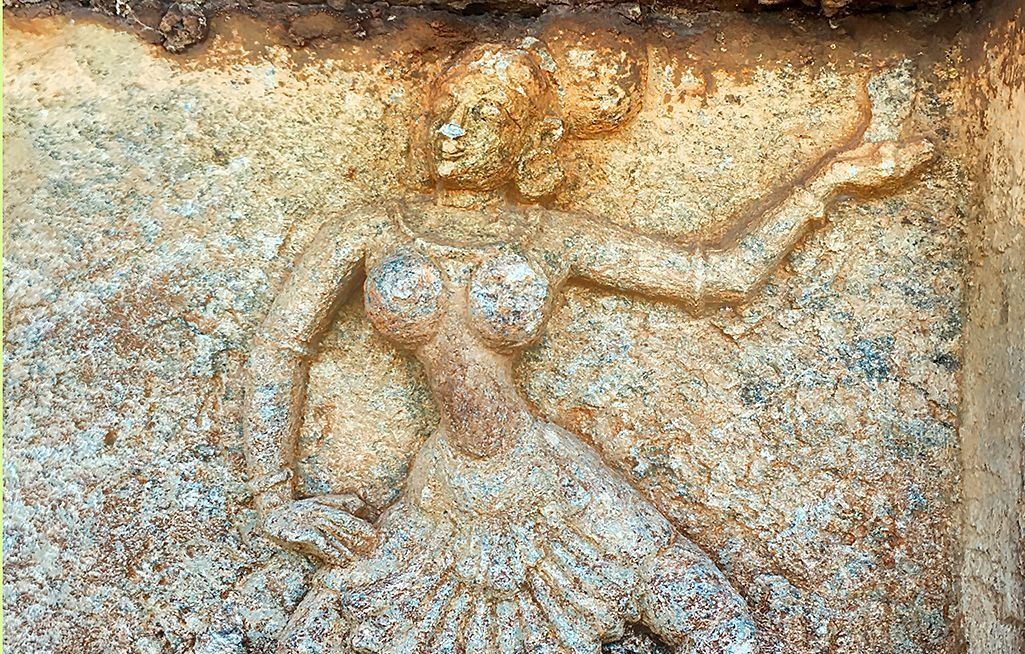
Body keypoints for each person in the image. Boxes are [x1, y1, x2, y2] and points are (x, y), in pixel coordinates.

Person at [244, 39, 933, 654]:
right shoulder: (369, 229)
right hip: (442, 491)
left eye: (484, 117)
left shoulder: (551, 236)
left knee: (720, 629)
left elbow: (715, 276)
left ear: (531, 142)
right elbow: (280, 348)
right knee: (316, 632)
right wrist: (276, 499)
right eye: (440, 112)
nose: (450, 131)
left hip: (548, 480)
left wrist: (829, 181)